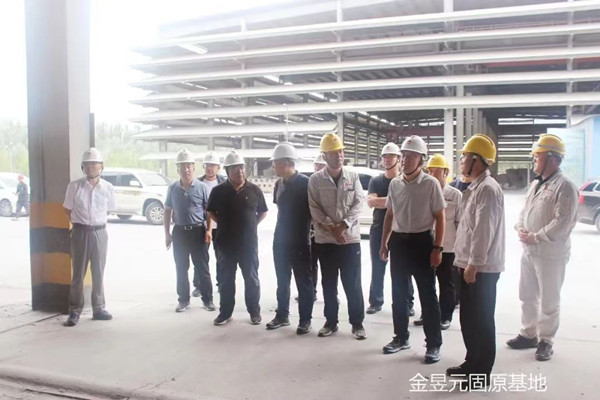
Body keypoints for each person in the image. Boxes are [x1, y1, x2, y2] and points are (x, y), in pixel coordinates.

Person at [507, 134, 578, 361]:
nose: (534, 161)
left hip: (550, 254)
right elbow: (524, 211)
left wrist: (536, 237)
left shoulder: (565, 187)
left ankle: (546, 340)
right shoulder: (536, 184)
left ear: (552, 159)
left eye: (537, 157)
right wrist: (520, 227)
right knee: (527, 295)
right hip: (529, 251)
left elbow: (563, 222)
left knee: (549, 299)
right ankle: (528, 334)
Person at [379, 135, 445, 364]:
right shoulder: (395, 184)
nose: (405, 159)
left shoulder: (430, 184)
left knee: (428, 295)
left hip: (422, 242)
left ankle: (433, 344)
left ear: (421, 160)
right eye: (404, 155)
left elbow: (440, 217)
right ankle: (400, 337)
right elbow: (389, 215)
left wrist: (437, 248)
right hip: (399, 242)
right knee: (398, 294)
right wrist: (384, 243)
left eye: (411, 156)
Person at [446, 134, 505, 389]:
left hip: (481, 268)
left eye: (465, 157)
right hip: (466, 263)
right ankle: (471, 363)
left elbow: (483, 230)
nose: (461, 162)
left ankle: (482, 373)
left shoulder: (488, 189)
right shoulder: (475, 187)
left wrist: (473, 264)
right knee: (469, 319)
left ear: (477, 161)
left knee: (481, 320)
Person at [308, 132, 367, 340]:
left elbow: (359, 203)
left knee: (353, 284)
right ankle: (330, 322)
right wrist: (333, 229)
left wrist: (343, 226)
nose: (339, 155)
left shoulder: (352, 176)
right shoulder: (315, 180)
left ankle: (357, 323)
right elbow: (314, 208)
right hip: (326, 241)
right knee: (329, 283)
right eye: (334, 153)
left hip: (350, 240)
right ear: (324, 156)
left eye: (341, 151)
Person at [207, 151, 268, 326]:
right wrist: (224, 223)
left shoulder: (254, 190)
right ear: (227, 171)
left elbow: (263, 211)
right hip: (225, 244)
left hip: (248, 244)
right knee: (226, 280)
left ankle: (254, 312)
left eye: (241, 167)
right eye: (235, 168)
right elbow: (210, 211)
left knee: (252, 279)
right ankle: (225, 313)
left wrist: (251, 224)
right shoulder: (218, 191)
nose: (239, 171)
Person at [62, 148, 115, 327]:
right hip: (80, 232)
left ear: (101, 166)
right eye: (87, 164)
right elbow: (67, 209)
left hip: (100, 232)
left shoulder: (108, 188)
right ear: (83, 167)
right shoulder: (74, 186)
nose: (91, 167)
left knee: (98, 272)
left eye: (94, 164)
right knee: (78, 273)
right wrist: (79, 224)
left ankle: (99, 308)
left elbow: (109, 210)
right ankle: (74, 311)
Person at [267, 142, 314, 334]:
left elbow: (314, 213)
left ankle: (305, 320)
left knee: (304, 282)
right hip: (280, 240)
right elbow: (280, 211)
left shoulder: (306, 184)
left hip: (300, 241)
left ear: (287, 163)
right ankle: (282, 315)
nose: (273, 166)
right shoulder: (279, 184)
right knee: (282, 281)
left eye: (276, 162)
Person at [366, 142, 415, 316]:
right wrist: (395, 200)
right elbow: (371, 202)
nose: (387, 159)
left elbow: (408, 201)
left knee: (403, 269)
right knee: (377, 267)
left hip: (400, 229)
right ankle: (375, 301)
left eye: (391, 156)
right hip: (379, 229)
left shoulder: (404, 181)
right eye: (384, 156)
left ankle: (407, 303)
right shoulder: (376, 181)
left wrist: (383, 201)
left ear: (399, 159)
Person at [164, 149, 215, 313]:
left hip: (198, 232)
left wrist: (209, 230)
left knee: (202, 268)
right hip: (179, 233)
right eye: (182, 166)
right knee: (181, 268)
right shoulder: (173, 188)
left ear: (194, 167)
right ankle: (183, 300)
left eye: (189, 166)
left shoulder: (202, 187)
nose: (186, 169)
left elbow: (209, 211)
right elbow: (167, 211)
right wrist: (167, 234)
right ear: (177, 168)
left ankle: (208, 300)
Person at [422, 154, 462, 330]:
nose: (432, 174)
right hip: (427, 245)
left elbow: (460, 223)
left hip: (448, 247)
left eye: (436, 171)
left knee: (446, 284)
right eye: (429, 171)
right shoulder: (424, 192)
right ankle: (428, 314)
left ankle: (445, 316)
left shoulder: (455, 195)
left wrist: (460, 249)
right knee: (427, 283)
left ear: (446, 172)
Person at [196, 152, 226, 298]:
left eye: (213, 165)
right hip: (202, 227)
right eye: (207, 165)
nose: (210, 168)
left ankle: (221, 284)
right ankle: (199, 285)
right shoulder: (197, 183)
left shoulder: (224, 183)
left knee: (221, 257)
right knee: (201, 257)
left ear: (218, 167)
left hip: (219, 227)